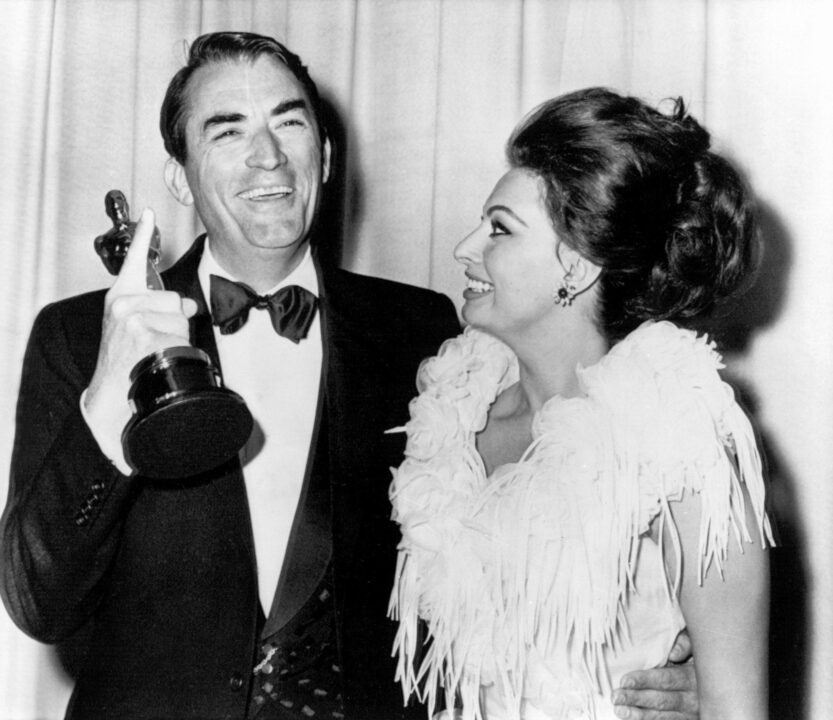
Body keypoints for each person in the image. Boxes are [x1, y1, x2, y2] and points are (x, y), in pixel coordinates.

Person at [0, 32, 699, 719]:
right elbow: (40, 603)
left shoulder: (427, 333)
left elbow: (572, 496)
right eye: (226, 130)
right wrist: (105, 403)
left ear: (325, 156)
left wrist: (669, 657)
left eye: (289, 123)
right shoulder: (80, 334)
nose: (267, 156)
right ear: (178, 175)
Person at [389, 87, 773, 720]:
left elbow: (738, 708)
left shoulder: (679, 439)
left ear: (578, 266)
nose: (464, 248)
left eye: (499, 229)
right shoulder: (456, 415)